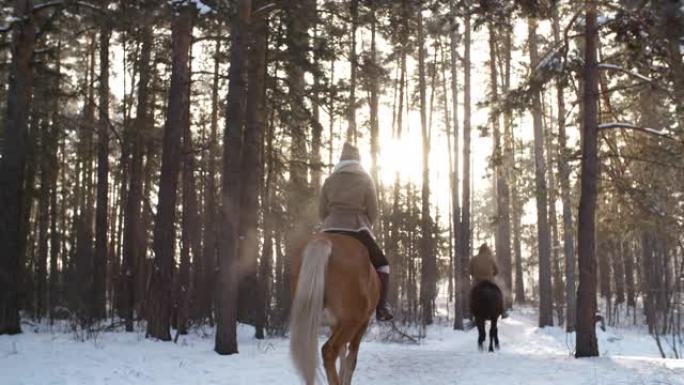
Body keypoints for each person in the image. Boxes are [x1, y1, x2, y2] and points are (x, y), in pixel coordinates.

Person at [319, 142, 394, 321]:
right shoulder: (365, 179)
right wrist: (368, 224)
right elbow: (373, 212)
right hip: (356, 228)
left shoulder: (330, 180)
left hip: (329, 228)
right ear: (358, 160)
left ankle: (317, 302)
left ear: (341, 159)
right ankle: (382, 306)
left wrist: (330, 223)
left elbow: (322, 212)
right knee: (383, 264)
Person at [469, 243, 509, 318]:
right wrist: (491, 275)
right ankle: (503, 311)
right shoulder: (491, 258)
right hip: (490, 280)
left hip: (477, 281)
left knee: (471, 293)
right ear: (487, 250)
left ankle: (470, 312)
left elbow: (470, 271)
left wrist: (476, 275)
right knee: (499, 292)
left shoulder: (474, 258)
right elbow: (497, 271)